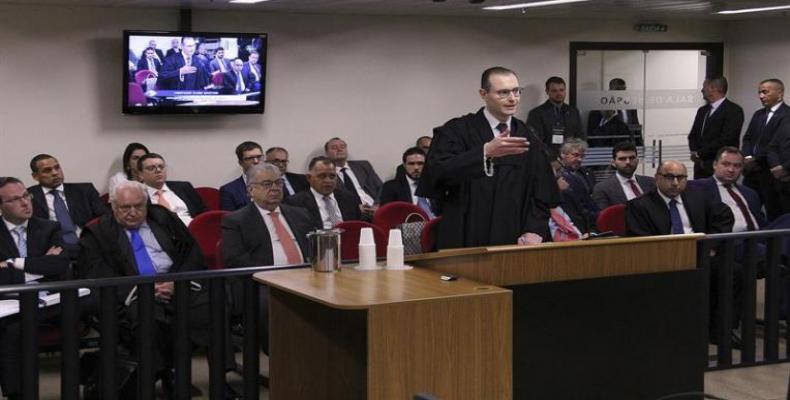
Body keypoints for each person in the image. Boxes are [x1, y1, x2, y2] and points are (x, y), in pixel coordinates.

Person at [77, 181, 227, 394]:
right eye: (125, 207)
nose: (132, 213)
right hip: (132, 292)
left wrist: (176, 283)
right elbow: (97, 274)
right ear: (113, 206)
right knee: (150, 320)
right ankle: (164, 375)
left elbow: (191, 253)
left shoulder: (163, 217)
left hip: (175, 285)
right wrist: (144, 289)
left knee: (212, 308)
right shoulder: (97, 232)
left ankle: (221, 382)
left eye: (139, 206)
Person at [418, 66, 559, 249]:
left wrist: (534, 230)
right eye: (503, 92)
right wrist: (484, 153)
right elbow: (437, 172)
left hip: (516, 236)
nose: (512, 98)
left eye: (516, 91)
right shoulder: (457, 131)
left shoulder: (527, 136)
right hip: (468, 232)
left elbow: (542, 192)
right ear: (483, 94)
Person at [221, 163, 317, 353]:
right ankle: (280, 356)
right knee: (269, 305)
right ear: (251, 190)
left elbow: (314, 249)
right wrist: (276, 277)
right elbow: (235, 259)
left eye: (278, 183)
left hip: (307, 276)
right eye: (266, 184)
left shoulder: (300, 214)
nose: (274, 188)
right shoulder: (236, 220)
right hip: (264, 282)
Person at [0, 177, 70, 400]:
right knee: (12, 330)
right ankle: (17, 394)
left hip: (47, 300)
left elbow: (59, 264)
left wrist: (11, 264)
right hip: (9, 302)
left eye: (25, 196)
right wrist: (40, 265)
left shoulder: (49, 227)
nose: (25, 203)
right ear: (1, 206)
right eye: (14, 199)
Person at [625, 160, 733, 236]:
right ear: (657, 178)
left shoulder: (699, 197)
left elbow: (725, 216)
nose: (675, 183)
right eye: (669, 177)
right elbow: (642, 242)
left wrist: (711, 247)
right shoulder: (639, 206)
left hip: (699, 255)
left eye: (680, 177)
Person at [27, 154, 106, 247]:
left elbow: (105, 217)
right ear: (35, 176)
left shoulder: (84, 191)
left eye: (57, 167)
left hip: (87, 243)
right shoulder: (28, 196)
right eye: (47, 170)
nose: (55, 173)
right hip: (52, 247)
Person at [742, 79, 789, 221]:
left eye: (765, 92)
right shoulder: (758, 114)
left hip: (772, 174)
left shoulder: (787, 115)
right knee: (748, 212)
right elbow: (748, 138)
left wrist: (756, 159)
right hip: (752, 172)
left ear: (779, 93)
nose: (761, 96)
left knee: (775, 215)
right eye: (759, 92)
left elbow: (774, 144)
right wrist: (748, 156)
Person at [689, 147, 765, 233]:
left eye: (737, 166)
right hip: (726, 242)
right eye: (726, 164)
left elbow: (760, 222)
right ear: (715, 165)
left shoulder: (750, 193)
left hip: (757, 239)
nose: (731, 170)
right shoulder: (698, 187)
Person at [687, 76, 745, 179]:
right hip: (700, 167)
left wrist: (700, 153)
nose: (702, 90)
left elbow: (727, 139)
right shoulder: (702, 110)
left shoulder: (733, 110)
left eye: (704, 86)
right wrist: (694, 151)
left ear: (713, 88)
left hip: (720, 166)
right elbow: (693, 135)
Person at [285, 157, 361, 229]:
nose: (328, 181)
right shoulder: (295, 203)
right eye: (322, 176)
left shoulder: (349, 199)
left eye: (332, 176)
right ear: (309, 178)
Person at [138, 153, 206, 226]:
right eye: (151, 168)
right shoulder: (138, 194)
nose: (158, 170)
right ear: (140, 174)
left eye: (161, 167)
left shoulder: (184, 187)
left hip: (193, 230)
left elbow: (203, 212)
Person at [526, 76, 584, 159]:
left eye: (561, 90)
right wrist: (555, 159)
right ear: (547, 91)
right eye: (554, 91)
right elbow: (536, 141)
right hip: (547, 162)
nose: (559, 94)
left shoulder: (573, 111)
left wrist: (573, 154)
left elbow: (580, 136)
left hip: (570, 160)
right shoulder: (536, 113)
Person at [324, 137, 382, 219]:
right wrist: (356, 208)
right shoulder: (325, 174)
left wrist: (377, 205)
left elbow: (381, 188)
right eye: (334, 148)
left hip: (375, 208)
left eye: (342, 146)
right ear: (327, 153)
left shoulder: (363, 165)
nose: (339, 149)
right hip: (350, 214)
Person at [591, 141, 655, 210]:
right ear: (613, 163)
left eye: (632, 158)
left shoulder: (651, 182)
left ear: (637, 160)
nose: (628, 162)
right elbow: (605, 217)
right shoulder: (602, 189)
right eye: (622, 159)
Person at [379, 147, 435, 217]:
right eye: (411, 164)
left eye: (420, 163)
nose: (416, 168)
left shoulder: (436, 184)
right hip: (407, 225)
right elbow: (386, 214)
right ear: (404, 165)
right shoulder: (391, 187)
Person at [587, 78, 642, 146]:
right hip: (607, 147)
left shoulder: (630, 107)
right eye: (618, 90)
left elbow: (636, 127)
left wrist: (640, 145)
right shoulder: (599, 109)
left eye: (624, 89)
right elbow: (593, 133)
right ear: (610, 91)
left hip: (628, 145)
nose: (621, 93)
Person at [557, 139, 599, 223]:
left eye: (582, 156)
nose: (580, 159)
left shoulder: (587, 173)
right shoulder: (558, 176)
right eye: (575, 155)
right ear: (563, 154)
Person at [548, 161, 591, 242]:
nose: (562, 177)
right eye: (557, 172)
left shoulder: (568, 196)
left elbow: (584, 220)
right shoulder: (538, 206)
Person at [220, 141, 263, 211]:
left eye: (259, 157)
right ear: (241, 163)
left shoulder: (277, 183)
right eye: (250, 158)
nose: (256, 161)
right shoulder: (229, 190)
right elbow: (229, 219)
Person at [766, 109, 790, 215]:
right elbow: (772, 147)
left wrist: (785, 168)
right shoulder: (786, 120)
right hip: (780, 182)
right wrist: (776, 167)